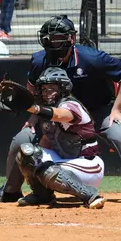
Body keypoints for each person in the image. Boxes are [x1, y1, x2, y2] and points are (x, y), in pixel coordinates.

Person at [0, 15, 121, 205]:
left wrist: (116, 110)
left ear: (71, 39)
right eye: (48, 38)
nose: (52, 42)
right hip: (56, 113)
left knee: (120, 135)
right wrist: (33, 117)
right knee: (22, 139)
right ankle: (11, 189)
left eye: (58, 38)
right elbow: (32, 86)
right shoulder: (39, 59)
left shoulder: (92, 58)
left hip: (97, 110)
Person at [12, 67, 106, 209]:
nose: (46, 92)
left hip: (89, 166)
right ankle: (42, 195)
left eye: (51, 88)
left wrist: (33, 108)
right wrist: (32, 164)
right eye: (44, 89)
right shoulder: (47, 111)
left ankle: (90, 194)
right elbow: (46, 142)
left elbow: (61, 115)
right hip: (68, 161)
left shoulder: (70, 104)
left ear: (63, 88)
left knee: (47, 168)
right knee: (26, 153)